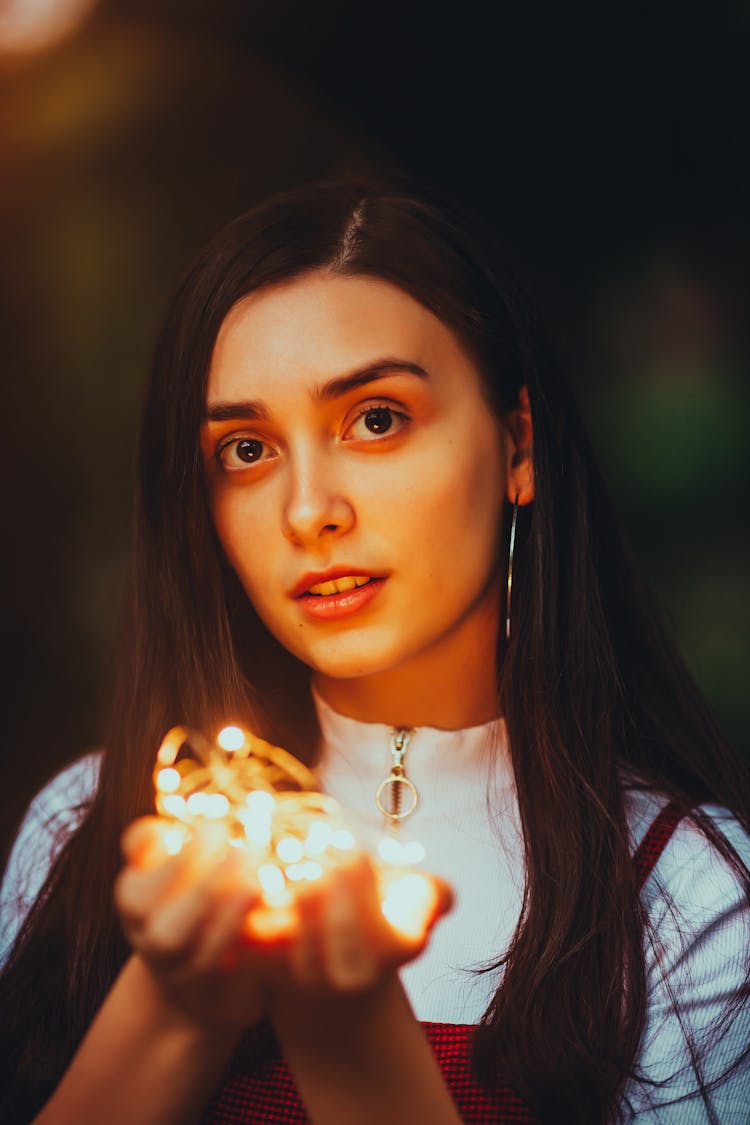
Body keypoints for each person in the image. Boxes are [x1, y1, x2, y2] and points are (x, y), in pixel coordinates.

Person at [1, 178, 749, 1125]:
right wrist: (172, 1009)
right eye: (245, 449)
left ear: (518, 444)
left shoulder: (686, 896)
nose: (309, 511)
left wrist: (348, 1029)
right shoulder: (83, 832)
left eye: (376, 419)